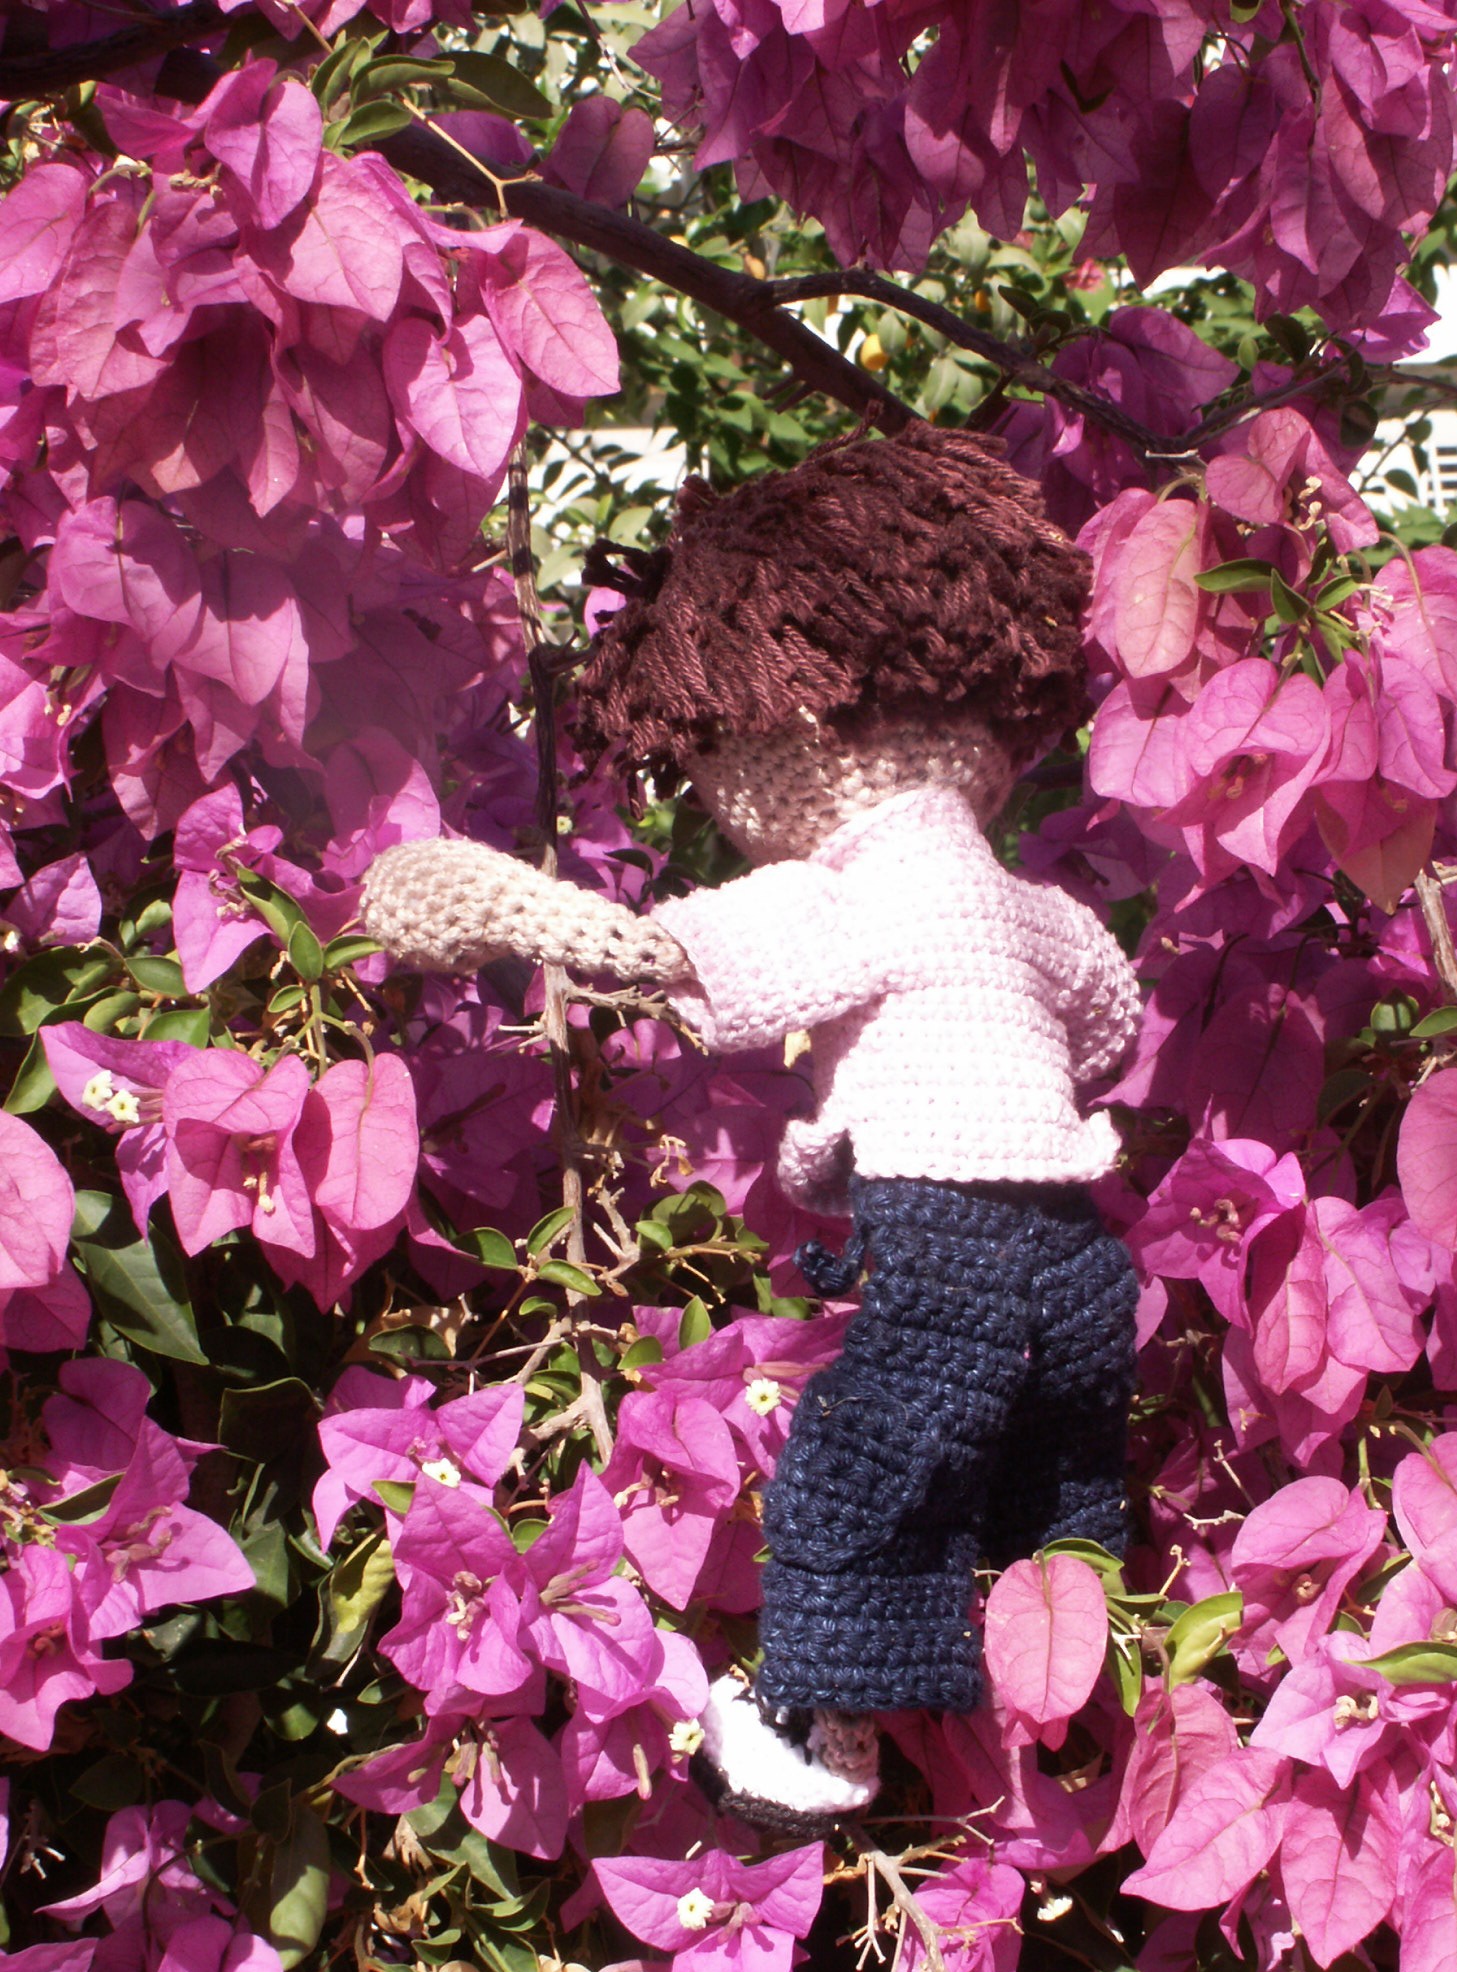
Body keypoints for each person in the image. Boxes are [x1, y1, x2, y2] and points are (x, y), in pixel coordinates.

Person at [359, 424, 1142, 1834]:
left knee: (864, 1460)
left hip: (948, 1226)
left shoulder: (853, 885)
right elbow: (1106, 1025)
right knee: (1055, 1467)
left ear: (792, 721)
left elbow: (661, 957)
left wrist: (494, 900)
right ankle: (1077, 1660)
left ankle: (821, 1736)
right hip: (1078, 1243)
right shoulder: (1025, 902)